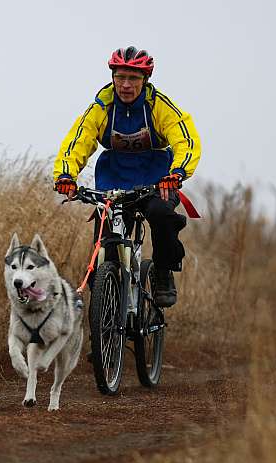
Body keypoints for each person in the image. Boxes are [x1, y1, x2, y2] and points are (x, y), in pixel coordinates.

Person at [53, 46, 201, 307]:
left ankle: (163, 270)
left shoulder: (159, 106)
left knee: (162, 214)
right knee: (105, 249)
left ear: (145, 80)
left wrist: (178, 172)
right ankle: (104, 320)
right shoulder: (102, 106)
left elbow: (184, 137)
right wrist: (66, 174)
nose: (125, 85)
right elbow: (79, 138)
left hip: (156, 178)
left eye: (133, 78)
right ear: (112, 77)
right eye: (120, 77)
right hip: (114, 178)